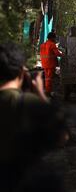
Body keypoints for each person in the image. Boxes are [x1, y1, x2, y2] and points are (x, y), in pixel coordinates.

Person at [0, 42, 67, 191]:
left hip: (45, 63)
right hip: (19, 180)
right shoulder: (28, 103)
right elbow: (61, 137)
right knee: (49, 79)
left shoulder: (44, 44)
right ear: (21, 72)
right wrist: (41, 95)